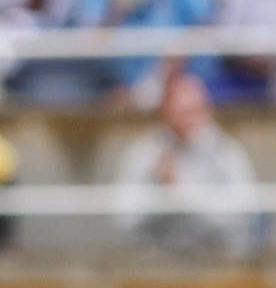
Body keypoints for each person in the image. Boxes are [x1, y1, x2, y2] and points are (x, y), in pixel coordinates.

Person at [109, 64, 260, 256]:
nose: (191, 119)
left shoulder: (226, 151)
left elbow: (244, 213)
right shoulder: (145, 152)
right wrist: (159, 193)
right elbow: (123, 217)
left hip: (217, 262)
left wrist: (181, 190)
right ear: (165, 113)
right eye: (182, 112)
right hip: (158, 264)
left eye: (195, 110)